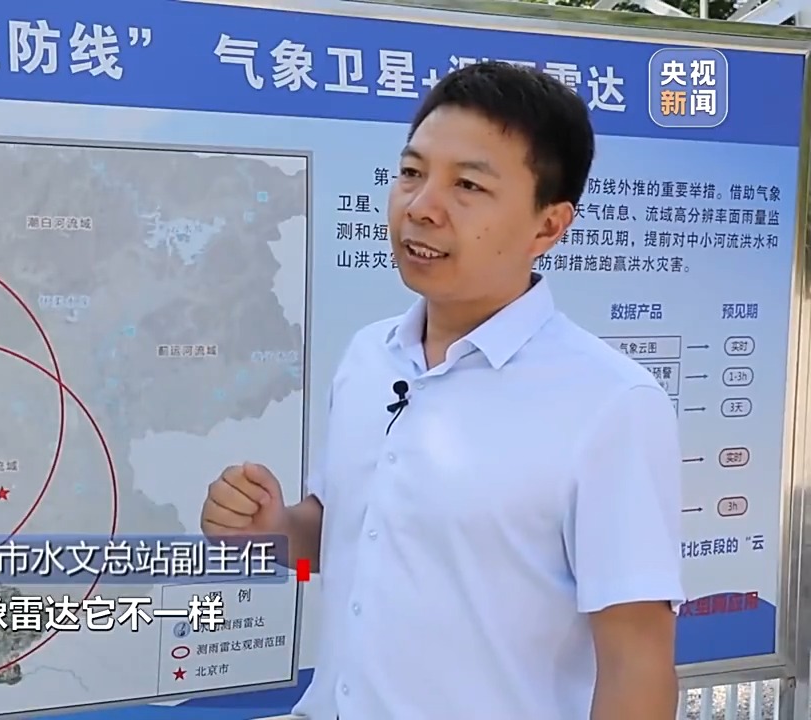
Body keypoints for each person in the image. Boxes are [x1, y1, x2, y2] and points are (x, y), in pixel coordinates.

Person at [200, 61, 683, 720]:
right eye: (412, 172)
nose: (421, 207)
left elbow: (637, 665)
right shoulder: (368, 356)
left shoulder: (609, 403)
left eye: (468, 185)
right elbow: (345, 537)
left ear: (548, 226)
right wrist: (275, 531)